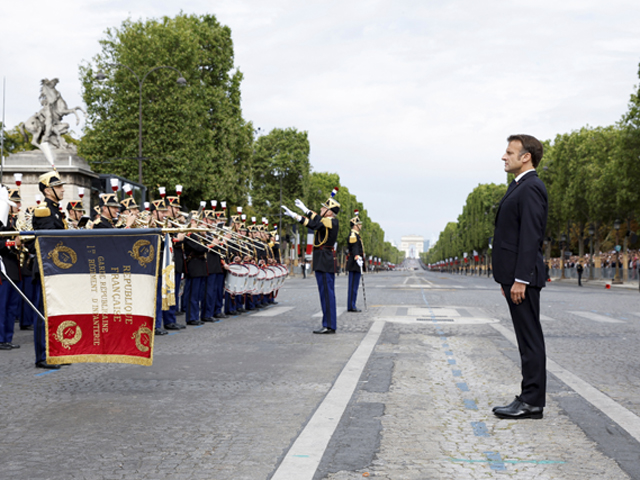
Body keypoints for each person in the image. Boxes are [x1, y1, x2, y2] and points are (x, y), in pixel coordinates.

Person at [492, 134, 548, 420]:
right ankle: (528, 397)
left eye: (510, 152)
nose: (504, 156)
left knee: (530, 340)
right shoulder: (521, 186)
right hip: (515, 276)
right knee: (526, 339)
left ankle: (532, 401)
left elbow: (530, 236)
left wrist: (521, 279)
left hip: (523, 278)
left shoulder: (530, 187)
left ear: (526, 156)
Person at [282, 188, 340, 334]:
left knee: (327, 293)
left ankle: (330, 325)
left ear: (329, 212)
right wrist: (303, 213)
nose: (321, 209)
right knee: (324, 293)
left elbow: (315, 223)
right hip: (322, 260)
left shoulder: (331, 221)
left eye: (324, 208)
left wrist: (299, 214)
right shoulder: (326, 222)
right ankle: (328, 323)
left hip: (325, 260)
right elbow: (316, 222)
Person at [31, 171, 67, 369]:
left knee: (57, 313)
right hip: (47, 267)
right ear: (48, 190)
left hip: (57, 268)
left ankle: (57, 352)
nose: (62, 189)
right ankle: (43, 355)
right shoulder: (44, 211)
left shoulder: (55, 210)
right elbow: (49, 242)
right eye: (59, 186)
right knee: (44, 313)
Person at [346, 210, 364, 312]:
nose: (360, 225)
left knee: (354, 286)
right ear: (355, 225)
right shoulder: (353, 235)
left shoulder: (356, 234)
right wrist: (357, 257)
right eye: (359, 224)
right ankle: (351, 305)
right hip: (354, 263)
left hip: (355, 263)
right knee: (353, 286)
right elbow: (355, 248)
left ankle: (352, 304)